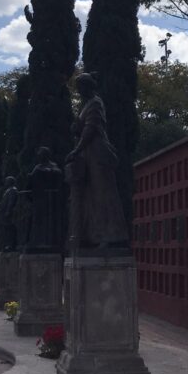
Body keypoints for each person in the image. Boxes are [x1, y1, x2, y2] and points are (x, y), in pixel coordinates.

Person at [65, 73, 128, 250]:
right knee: (90, 197)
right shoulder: (85, 105)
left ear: (88, 87)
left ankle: (112, 236)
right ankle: (94, 236)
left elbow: (91, 129)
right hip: (87, 153)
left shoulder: (95, 103)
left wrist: (76, 150)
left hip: (98, 152)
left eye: (81, 87)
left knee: (103, 195)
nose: (79, 91)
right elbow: (82, 129)